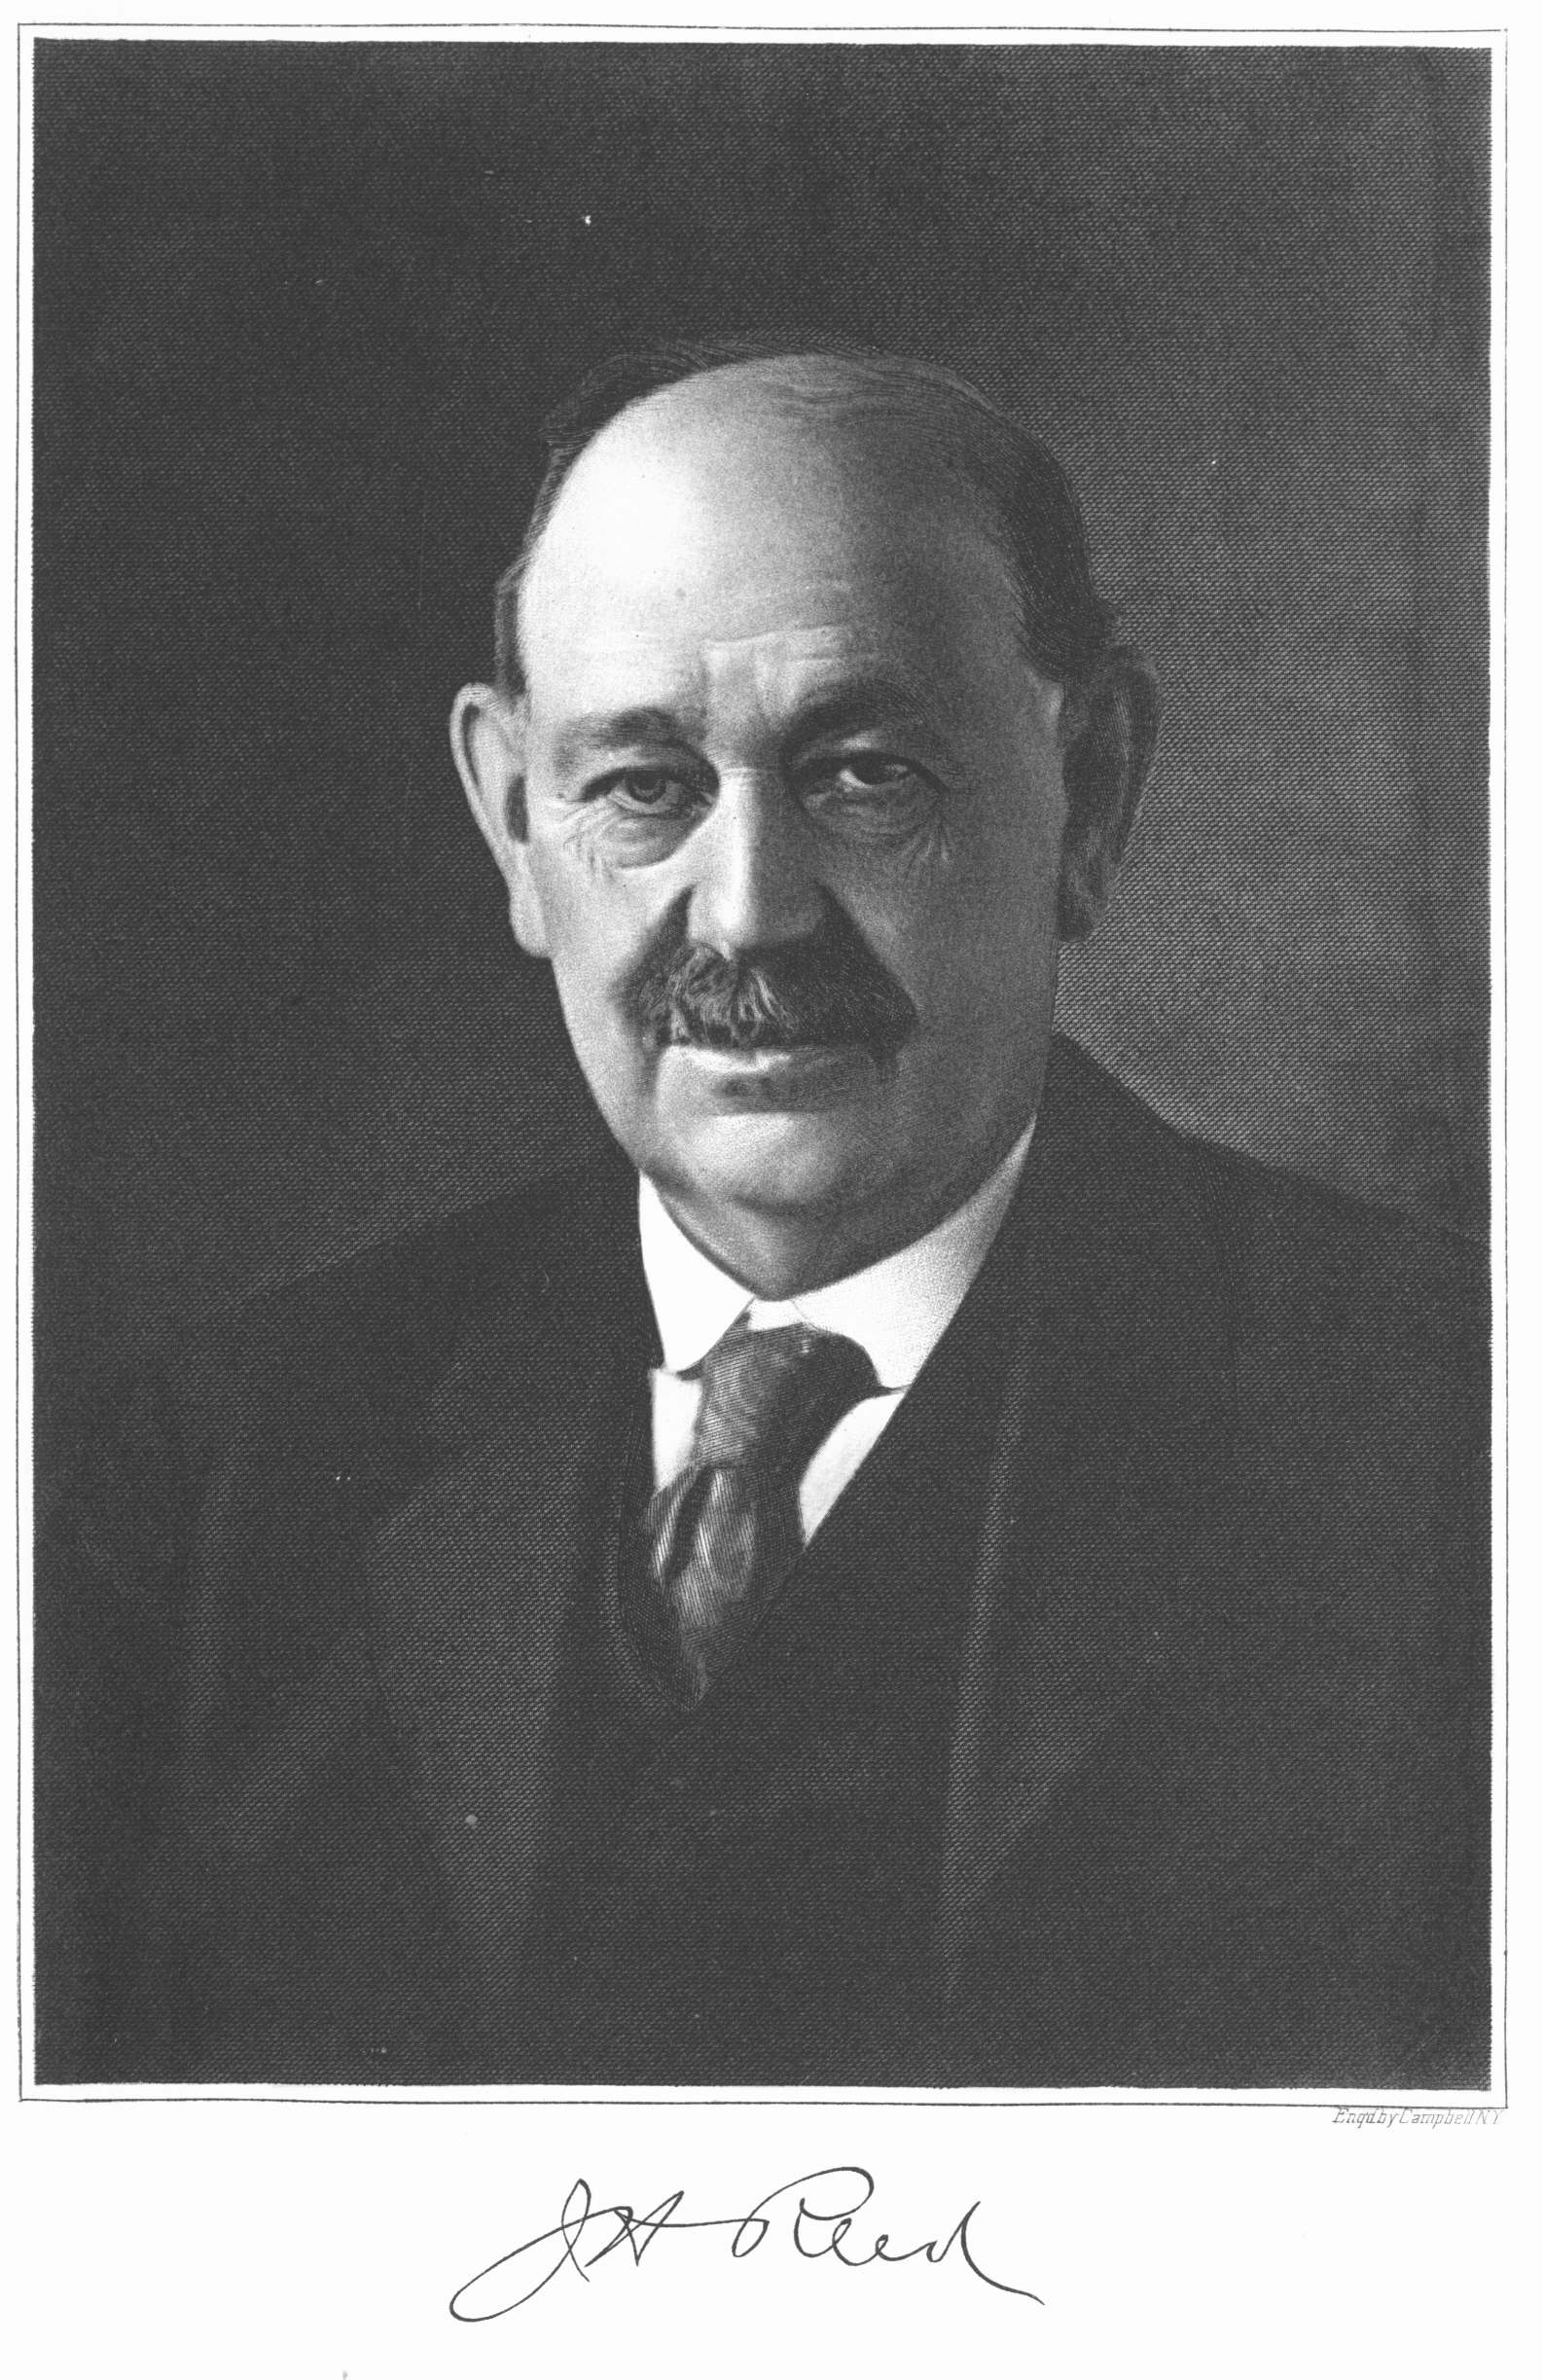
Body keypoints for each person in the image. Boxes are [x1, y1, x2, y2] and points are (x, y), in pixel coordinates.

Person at [35, 344, 1489, 2089]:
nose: (747, 912)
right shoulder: (206, 1480)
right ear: (512, 817)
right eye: (643, 787)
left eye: (864, 773)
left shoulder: (1461, 1440)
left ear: (1089, 790)